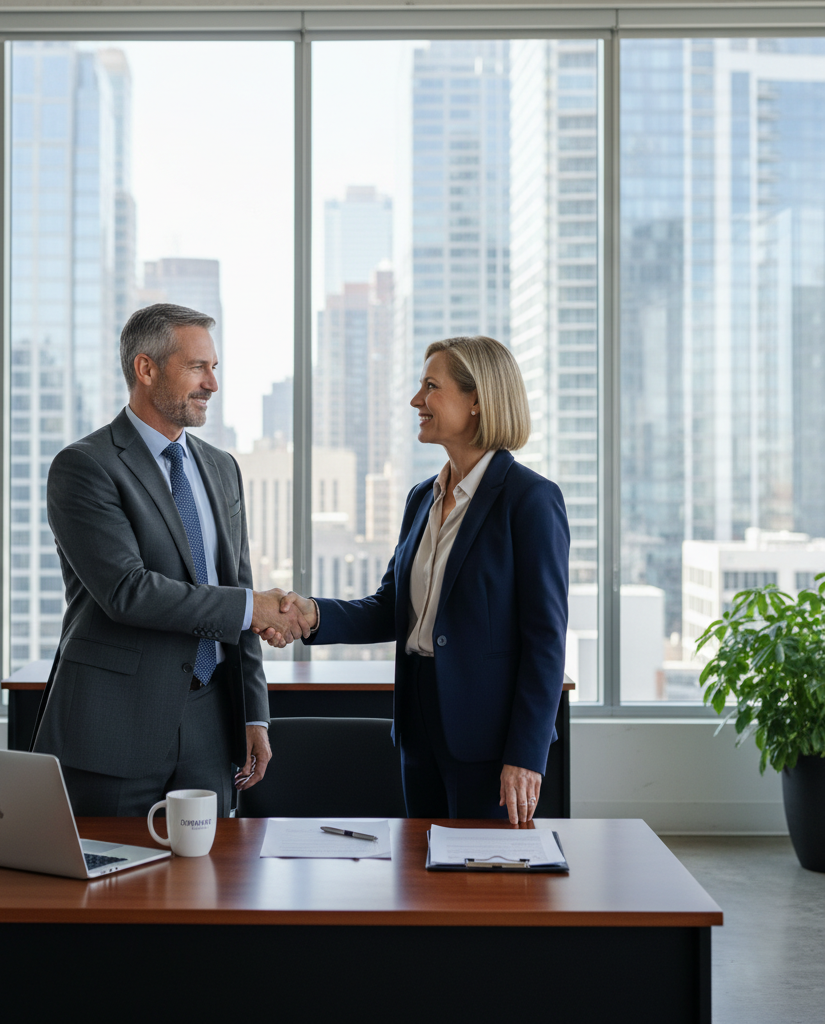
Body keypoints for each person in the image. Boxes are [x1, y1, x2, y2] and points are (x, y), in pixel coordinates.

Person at [265, 336, 569, 823]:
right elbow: (392, 607)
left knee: (479, 883)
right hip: (419, 723)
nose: (415, 400)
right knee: (420, 877)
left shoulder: (529, 500)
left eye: (431, 386)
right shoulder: (421, 498)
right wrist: (310, 614)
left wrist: (526, 755)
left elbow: (546, 641)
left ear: (476, 401)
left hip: (490, 739)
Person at [32, 303, 310, 817]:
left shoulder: (221, 468)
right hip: (114, 727)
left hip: (211, 723)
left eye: (215, 368)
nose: (212, 384)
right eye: (197, 368)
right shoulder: (84, 467)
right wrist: (255, 609)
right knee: (111, 887)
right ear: (146, 368)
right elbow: (128, 592)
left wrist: (255, 715)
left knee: (210, 887)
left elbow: (237, 584)